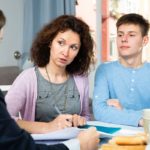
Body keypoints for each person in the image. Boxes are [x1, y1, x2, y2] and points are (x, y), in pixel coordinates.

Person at [0, 9, 100, 150]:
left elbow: (85, 115)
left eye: (73, 47)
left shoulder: (81, 79)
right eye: (61, 43)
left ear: (79, 52)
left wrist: (81, 120)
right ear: (49, 42)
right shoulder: (28, 78)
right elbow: (6, 121)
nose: (65, 52)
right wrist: (47, 127)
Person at [93, 13, 150, 127]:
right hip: (112, 139)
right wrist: (142, 120)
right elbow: (99, 111)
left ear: (144, 40)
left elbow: (106, 111)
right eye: (120, 35)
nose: (123, 39)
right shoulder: (104, 70)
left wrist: (122, 111)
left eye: (131, 35)